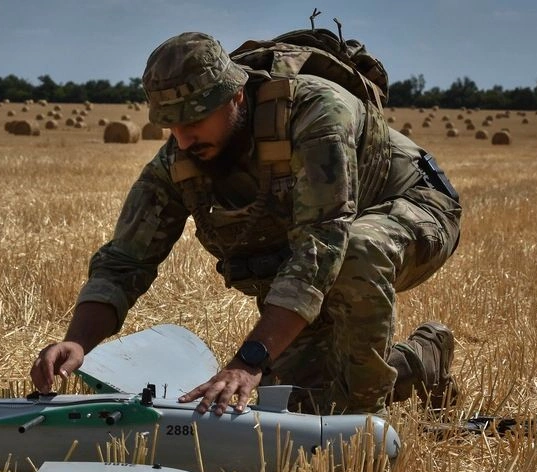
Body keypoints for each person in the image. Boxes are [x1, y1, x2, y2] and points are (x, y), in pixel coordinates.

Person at [31, 32, 462, 417]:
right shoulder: (179, 161)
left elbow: (324, 243)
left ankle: (365, 422)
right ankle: (422, 360)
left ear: (235, 97)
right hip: (318, 252)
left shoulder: (315, 112)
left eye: (194, 120)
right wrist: (79, 342)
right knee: (304, 407)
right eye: (171, 125)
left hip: (411, 209)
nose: (182, 139)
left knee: (356, 252)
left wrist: (248, 361)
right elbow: (125, 260)